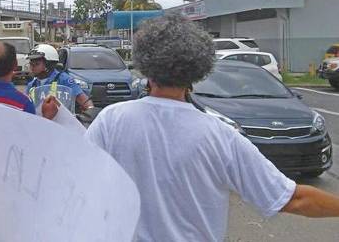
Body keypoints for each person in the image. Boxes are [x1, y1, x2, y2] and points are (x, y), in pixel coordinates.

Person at [86, 14, 339, 242]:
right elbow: (294, 199)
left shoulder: (113, 120)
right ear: (196, 72)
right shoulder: (220, 135)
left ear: (146, 66)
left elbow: (75, 174)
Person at [26, 44, 94, 112]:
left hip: (63, 120)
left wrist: (91, 111)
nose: (32, 67)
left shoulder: (64, 80)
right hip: (40, 121)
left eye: (36, 64)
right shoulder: (32, 85)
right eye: (31, 64)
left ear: (48, 64)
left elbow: (83, 100)